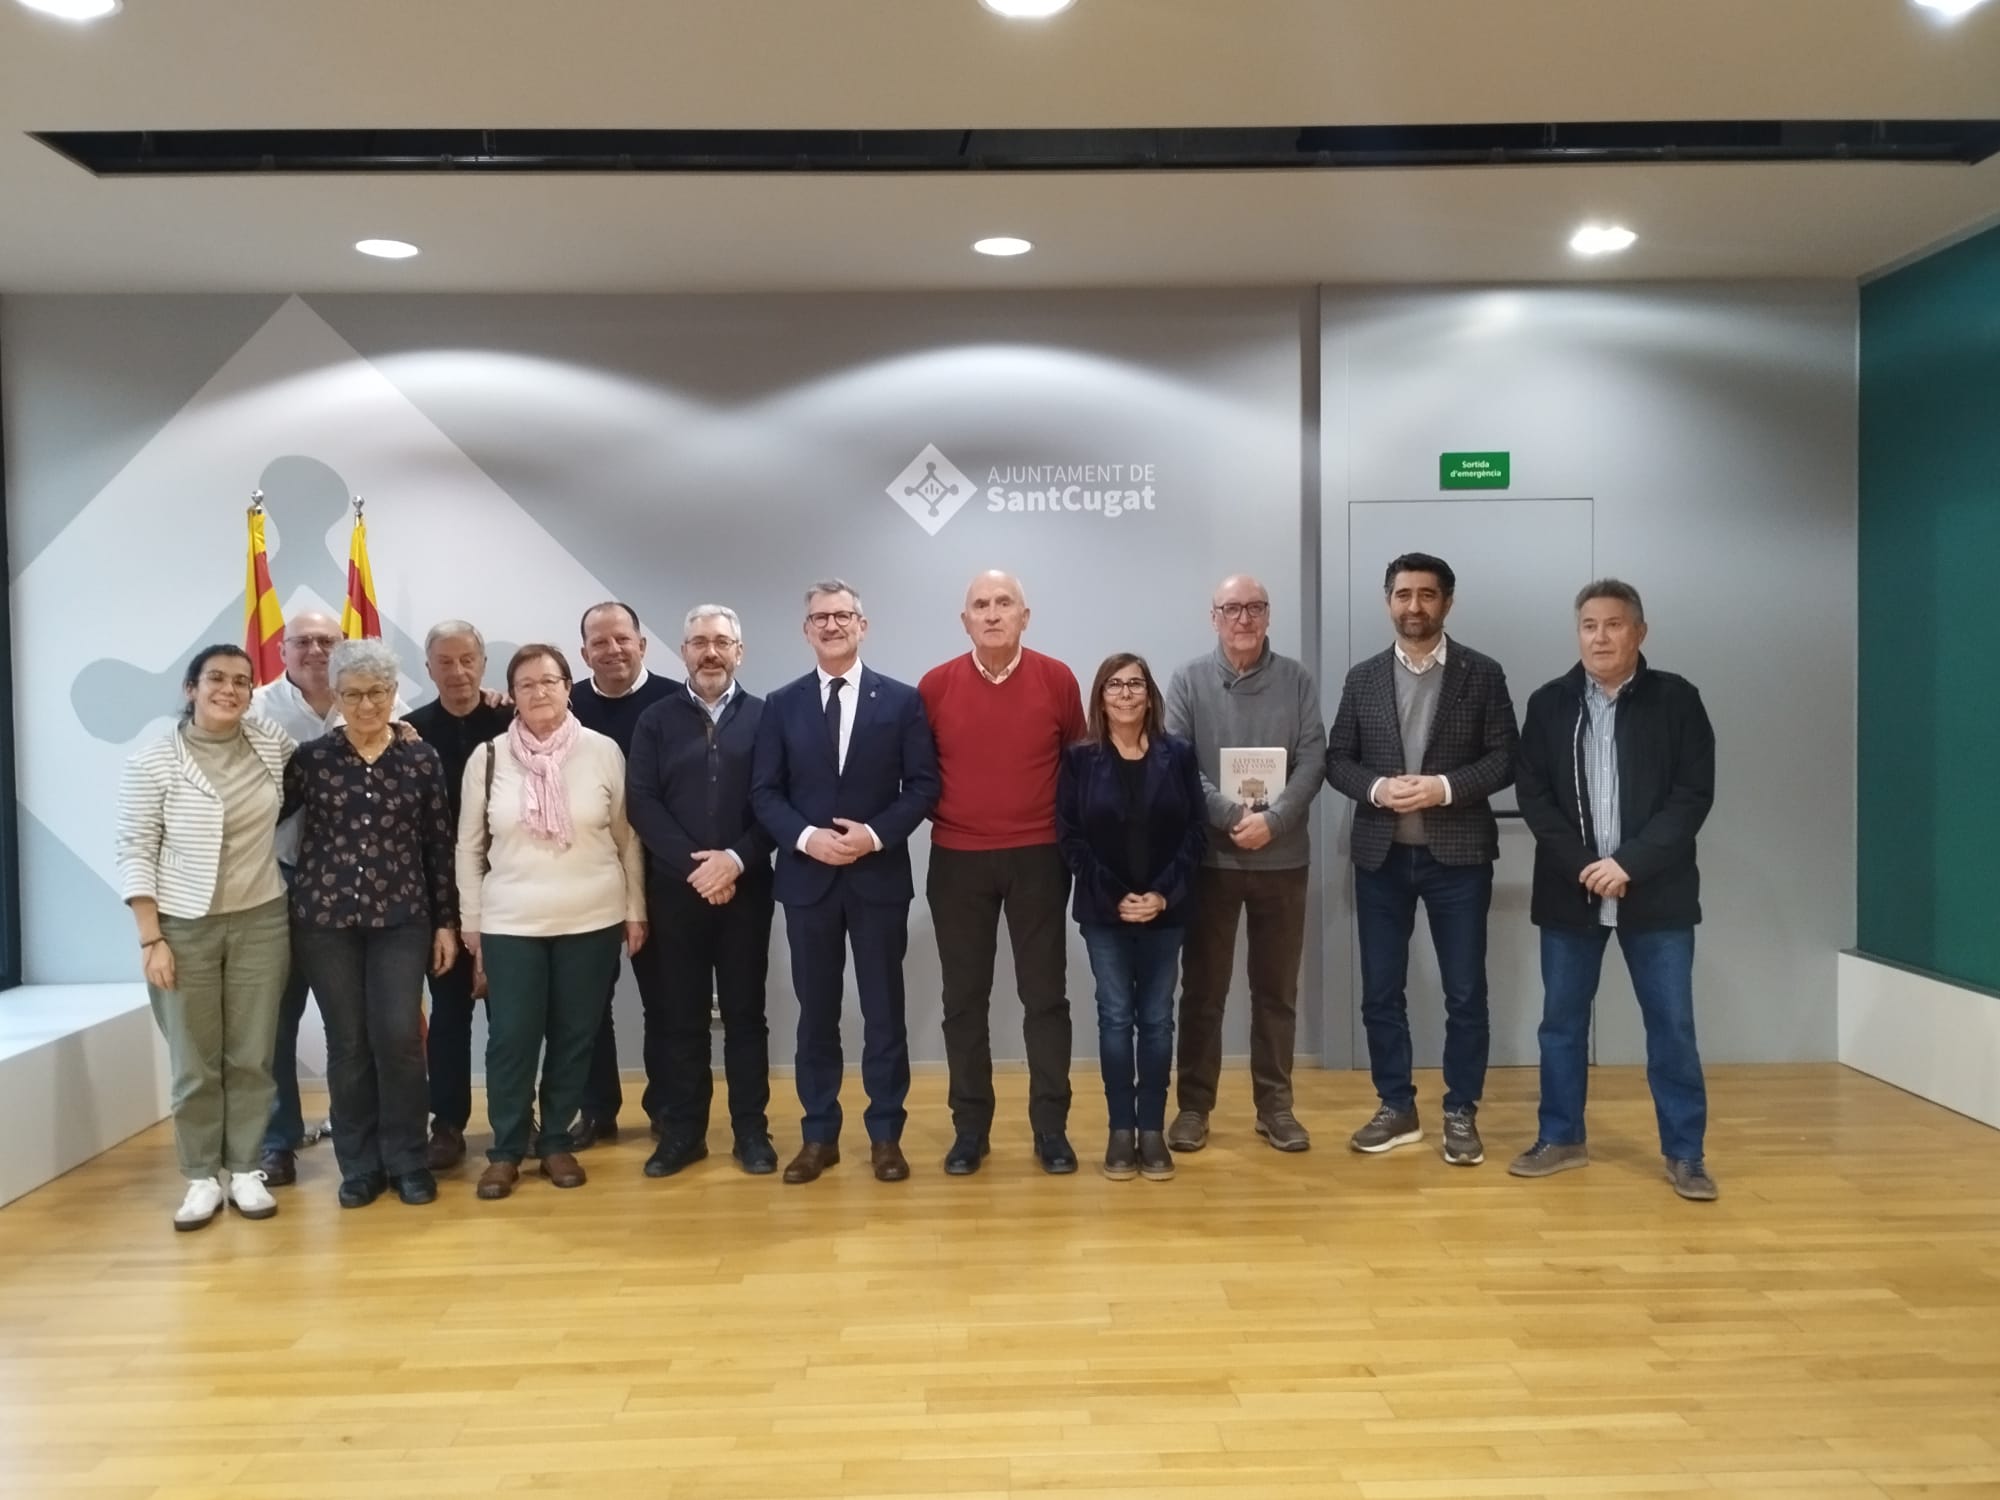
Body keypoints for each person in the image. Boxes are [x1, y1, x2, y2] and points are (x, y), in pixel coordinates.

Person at [1509, 580, 1719, 1202]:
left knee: (1672, 1027)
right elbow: (1534, 798)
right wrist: (1586, 865)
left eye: (1614, 625)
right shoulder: (1549, 703)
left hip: (1657, 896)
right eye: (1589, 626)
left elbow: (1691, 798)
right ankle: (1561, 1137)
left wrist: (1627, 863)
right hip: (1570, 894)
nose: (1600, 637)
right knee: (1561, 1025)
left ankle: (1686, 1154)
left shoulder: (1678, 700)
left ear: (1639, 632)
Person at [1324, 553, 1519, 1166]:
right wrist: (1379, 790)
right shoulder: (1362, 678)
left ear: (1447, 602)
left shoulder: (1483, 674)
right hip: (1381, 858)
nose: (1415, 606)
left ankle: (1460, 1110)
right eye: (1403, 594)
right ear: (1388, 601)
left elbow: (1504, 758)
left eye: (1427, 595)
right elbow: (1337, 759)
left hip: (1457, 860)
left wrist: (1443, 788)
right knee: (1381, 991)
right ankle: (1396, 1107)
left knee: (1465, 992)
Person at [750, 579, 940, 1185]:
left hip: (878, 877)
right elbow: (765, 793)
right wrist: (809, 839)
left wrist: (874, 836)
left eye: (842, 616)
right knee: (816, 1014)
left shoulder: (903, 701)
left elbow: (924, 786)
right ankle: (818, 1135)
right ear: (806, 630)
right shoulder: (780, 704)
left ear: (863, 625)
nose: (830, 625)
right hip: (807, 881)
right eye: (819, 618)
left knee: (885, 1011)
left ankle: (886, 1135)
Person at [459, 644, 648, 1200]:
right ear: (511, 696)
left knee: (574, 1035)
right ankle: (506, 1148)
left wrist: (635, 909)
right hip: (511, 920)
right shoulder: (488, 757)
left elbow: (627, 838)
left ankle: (557, 1140)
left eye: (550, 681)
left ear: (570, 687)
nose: (540, 692)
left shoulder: (603, 751)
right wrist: (472, 922)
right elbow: (468, 848)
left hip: (592, 916)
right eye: (526, 684)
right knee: (512, 1038)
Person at [115, 645, 294, 1230]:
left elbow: (334, 753)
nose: (230, 690)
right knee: (195, 1062)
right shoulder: (154, 761)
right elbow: (135, 849)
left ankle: (245, 1168)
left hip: (262, 919)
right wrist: (150, 938)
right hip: (181, 928)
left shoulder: (270, 745)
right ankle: (199, 1176)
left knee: (251, 1054)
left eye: (242, 681)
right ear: (191, 688)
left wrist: (399, 729)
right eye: (216, 678)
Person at [918, 570, 1085, 1176]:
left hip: (1039, 857)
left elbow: (1078, 766)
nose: (992, 613)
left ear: (1024, 615)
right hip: (958, 858)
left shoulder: (1058, 679)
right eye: (980, 605)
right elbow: (919, 773)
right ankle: (970, 1131)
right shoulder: (935, 686)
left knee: (1045, 999)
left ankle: (1051, 1130)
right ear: (965, 620)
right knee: (964, 1000)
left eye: (1004, 603)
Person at [284, 638, 458, 1209]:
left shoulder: (420, 757)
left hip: (402, 919)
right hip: (325, 922)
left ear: (393, 694)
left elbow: (439, 845)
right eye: (353, 694)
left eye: (377, 693)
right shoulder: (310, 761)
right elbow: (263, 821)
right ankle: (358, 1167)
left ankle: (407, 1159)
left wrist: (446, 923)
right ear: (335, 696)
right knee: (349, 1045)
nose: (365, 705)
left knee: (400, 1039)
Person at [1163, 574, 1326, 1154]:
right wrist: (1234, 816)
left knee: (1276, 991)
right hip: (1212, 861)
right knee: (1203, 990)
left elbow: (1314, 758)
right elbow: (1179, 762)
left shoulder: (1297, 680)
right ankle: (1193, 1108)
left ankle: (1275, 1107)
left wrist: (1274, 819)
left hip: (1283, 861)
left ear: (1267, 615)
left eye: (1254, 607)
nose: (1243, 619)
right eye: (1231, 608)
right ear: (1213, 617)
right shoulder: (1187, 681)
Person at [625, 605, 778, 1178]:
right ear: (683, 651)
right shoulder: (655, 721)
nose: (709, 652)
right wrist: (699, 868)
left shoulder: (769, 718)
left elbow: (778, 802)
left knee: (745, 1015)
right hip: (677, 893)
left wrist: (733, 861)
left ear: (739, 651)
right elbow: (642, 801)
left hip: (748, 890)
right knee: (679, 1018)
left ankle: (751, 1132)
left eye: (721, 642)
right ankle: (684, 1133)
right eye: (697, 642)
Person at [1057, 654, 1207, 1182]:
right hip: (1105, 912)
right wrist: (1117, 895)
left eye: (1135, 684)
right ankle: (1121, 1130)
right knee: (1117, 1018)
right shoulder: (1080, 759)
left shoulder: (1179, 755)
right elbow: (1070, 837)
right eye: (1114, 685)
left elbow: (1195, 833)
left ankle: (1151, 1129)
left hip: (1166, 912)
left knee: (1158, 1019)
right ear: (1100, 697)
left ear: (1150, 695)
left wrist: (1162, 895)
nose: (1125, 694)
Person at [404, 619, 514, 1171]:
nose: (458, 671)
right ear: (428, 670)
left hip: (513, 895)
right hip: (441, 900)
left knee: (511, 1018)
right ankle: (446, 1124)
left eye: (467, 659)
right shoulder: (410, 731)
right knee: (448, 1018)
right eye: (445, 662)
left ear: (483, 663)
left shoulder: (512, 718)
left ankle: (514, 1121)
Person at [568, 600, 675, 1147]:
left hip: (662, 876)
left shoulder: (677, 702)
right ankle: (597, 1109)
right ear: (583, 651)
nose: (612, 650)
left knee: (665, 1000)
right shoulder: (564, 705)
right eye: (599, 642)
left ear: (641, 644)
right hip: (586, 877)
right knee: (588, 1003)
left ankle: (664, 1108)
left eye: (622, 639)